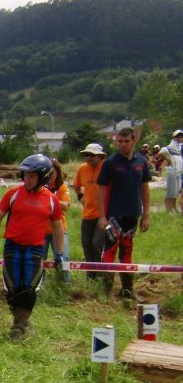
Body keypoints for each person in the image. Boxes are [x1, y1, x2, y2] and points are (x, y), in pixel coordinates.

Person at [0, 154, 63, 341]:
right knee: (12, 289)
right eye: (25, 175)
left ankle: (18, 327)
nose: (27, 179)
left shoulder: (52, 200)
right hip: (12, 247)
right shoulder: (12, 194)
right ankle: (23, 321)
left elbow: (57, 227)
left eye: (32, 176)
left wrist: (59, 253)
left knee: (29, 290)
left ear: (43, 177)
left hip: (36, 249)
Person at [96, 127, 152, 300]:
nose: (123, 145)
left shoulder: (141, 162)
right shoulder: (110, 162)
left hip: (133, 214)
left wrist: (146, 214)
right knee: (110, 250)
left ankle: (127, 290)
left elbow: (145, 188)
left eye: (126, 141)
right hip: (114, 214)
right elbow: (101, 189)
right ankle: (106, 291)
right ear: (115, 141)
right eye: (119, 141)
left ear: (133, 140)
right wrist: (102, 215)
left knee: (127, 250)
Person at [73, 143, 106, 280]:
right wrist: (81, 197)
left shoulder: (106, 168)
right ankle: (90, 274)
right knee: (86, 244)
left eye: (92, 155)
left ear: (100, 156)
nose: (89, 157)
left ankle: (100, 272)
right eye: (86, 155)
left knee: (97, 243)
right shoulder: (82, 169)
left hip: (103, 214)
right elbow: (76, 185)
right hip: (87, 214)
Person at [44, 159, 72, 284]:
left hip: (59, 229)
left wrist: (48, 198)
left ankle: (65, 283)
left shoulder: (62, 187)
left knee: (63, 257)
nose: (50, 176)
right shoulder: (39, 187)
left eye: (53, 173)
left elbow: (65, 205)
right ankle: (39, 285)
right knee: (39, 259)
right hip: (41, 229)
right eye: (47, 173)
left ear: (57, 173)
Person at [159, 130, 183, 213]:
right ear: (174, 137)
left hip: (178, 171)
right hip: (172, 171)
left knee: (176, 192)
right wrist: (168, 160)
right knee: (171, 192)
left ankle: (173, 207)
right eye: (178, 136)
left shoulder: (179, 147)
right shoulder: (170, 146)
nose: (179, 138)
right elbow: (161, 153)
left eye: (181, 136)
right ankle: (168, 210)